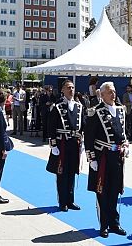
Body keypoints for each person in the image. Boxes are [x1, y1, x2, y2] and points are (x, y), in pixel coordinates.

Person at [85, 81, 128, 238]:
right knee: (102, 191)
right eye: (109, 92)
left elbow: (123, 134)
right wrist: (92, 158)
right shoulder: (95, 112)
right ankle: (103, 225)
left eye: (114, 91)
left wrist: (126, 145)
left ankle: (114, 223)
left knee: (115, 191)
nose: (113, 94)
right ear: (101, 95)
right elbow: (88, 137)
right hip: (102, 157)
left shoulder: (120, 111)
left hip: (117, 156)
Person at [46, 79, 85, 211]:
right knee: (62, 173)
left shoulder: (79, 107)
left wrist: (83, 141)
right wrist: (53, 145)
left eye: (73, 87)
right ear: (62, 90)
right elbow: (51, 127)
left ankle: (70, 200)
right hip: (62, 143)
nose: (71, 90)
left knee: (72, 172)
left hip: (74, 143)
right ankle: (62, 202)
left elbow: (83, 125)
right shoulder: (57, 107)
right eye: (68, 87)